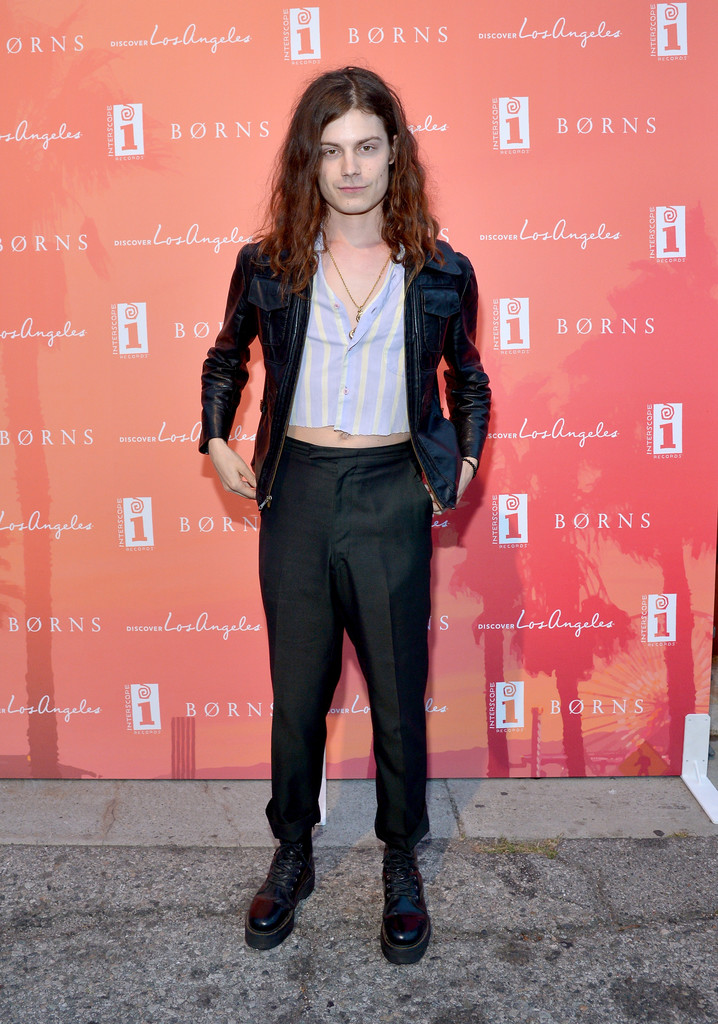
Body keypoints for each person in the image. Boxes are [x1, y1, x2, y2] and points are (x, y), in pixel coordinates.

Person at [199, 66, 490, 964]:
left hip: (392, 492)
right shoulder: (269, 264)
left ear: (392, 154)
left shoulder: (442, 271)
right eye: (331, 151)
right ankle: (293, 849)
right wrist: (215, 439)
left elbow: (467, 377)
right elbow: (226, 357)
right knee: (299, 693)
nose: (351, 168)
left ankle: (401, 860)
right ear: (309, 162)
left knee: (399, 696)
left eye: (367, 147)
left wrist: (464, 461)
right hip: (299, 492)